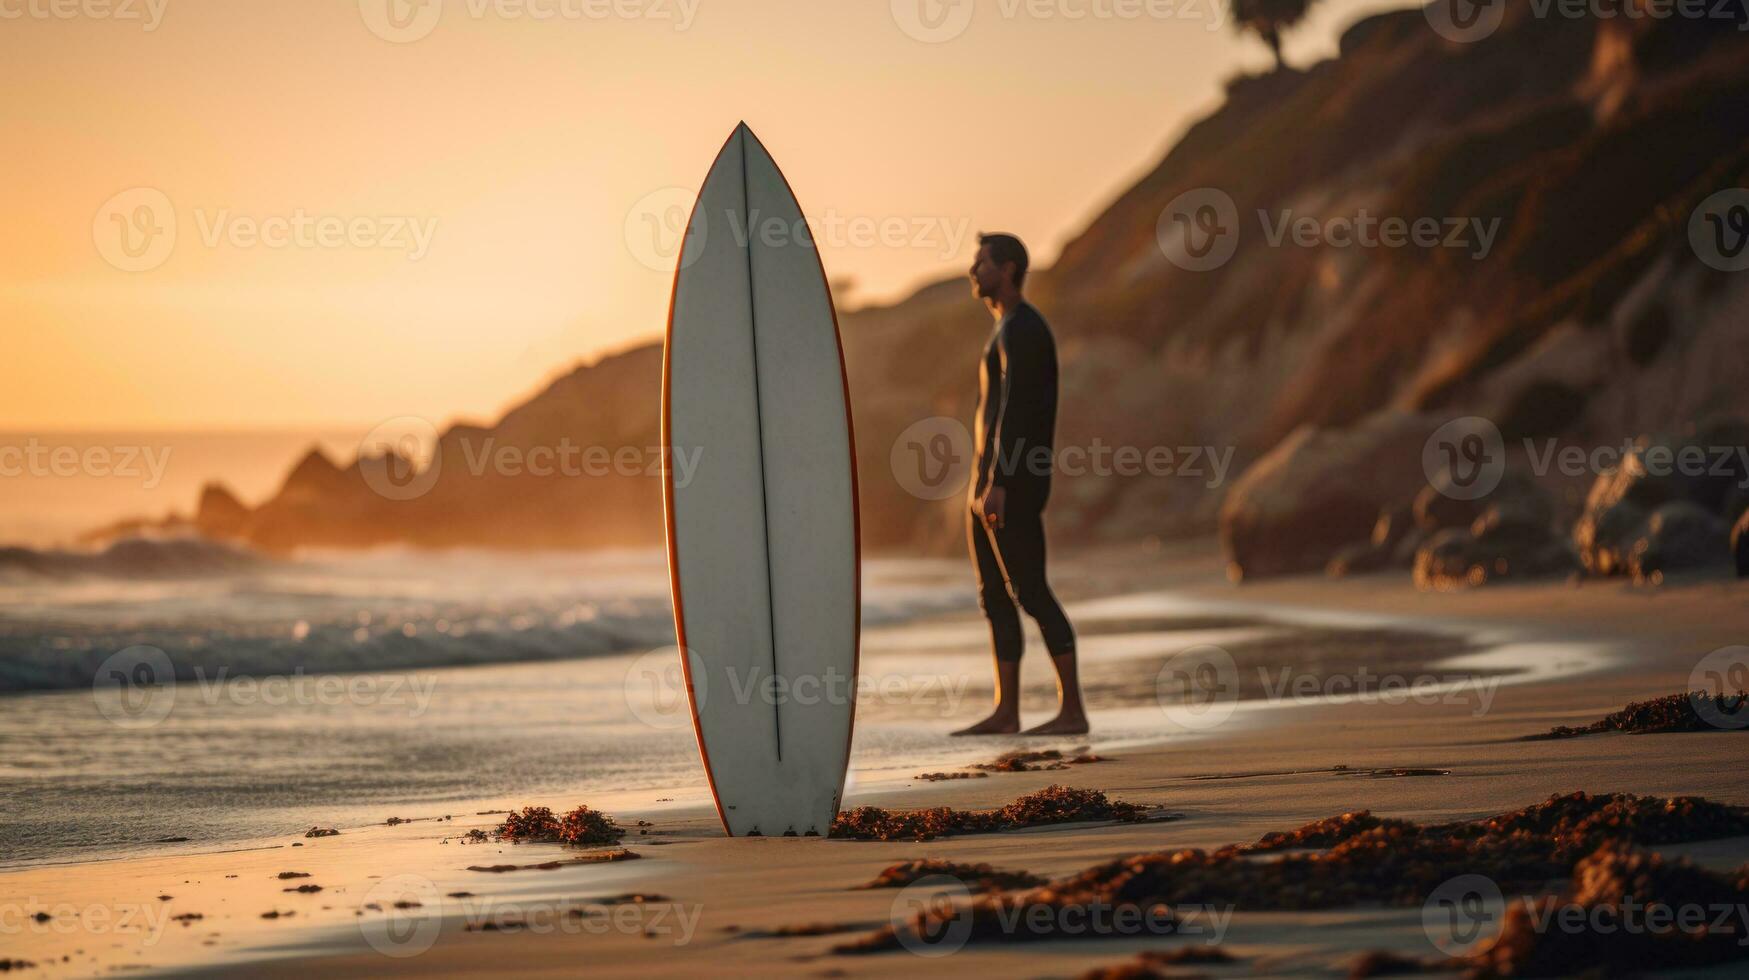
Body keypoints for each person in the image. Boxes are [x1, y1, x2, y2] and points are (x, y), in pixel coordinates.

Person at [951, 232, 1087, 736]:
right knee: (995, 595)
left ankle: (1072, 711)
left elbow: (1018, 412)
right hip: (987, 484)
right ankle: (1007, 711)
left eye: (981, 262)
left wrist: (1001, 480)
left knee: (1030, 591)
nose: (973, 270)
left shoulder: (1024, 329)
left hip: (1013, 484)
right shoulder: (1004, 328)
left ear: (1007, 269)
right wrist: (981, 482)